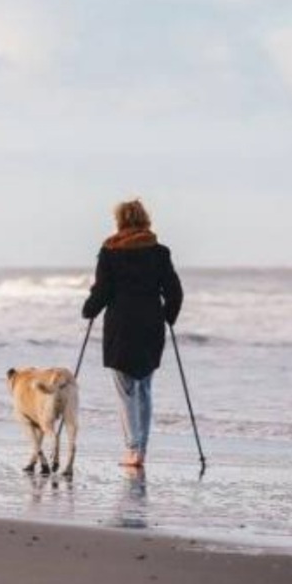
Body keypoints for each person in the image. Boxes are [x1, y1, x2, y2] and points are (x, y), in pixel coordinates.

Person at [82, 199, 183, 467]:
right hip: (151, 325)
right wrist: (169, 317)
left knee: (126, 390)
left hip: (121, 327)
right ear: (145, 220)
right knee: (145, 388)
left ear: (120, 222)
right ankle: (142, 450)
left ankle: (132, 450)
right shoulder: (159, 252)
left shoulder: (110, 251)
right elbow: (174, 291)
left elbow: (102, 291)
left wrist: (89, 310)